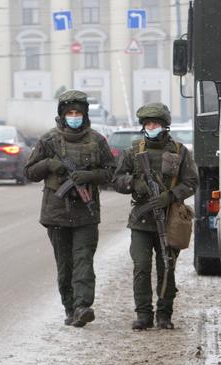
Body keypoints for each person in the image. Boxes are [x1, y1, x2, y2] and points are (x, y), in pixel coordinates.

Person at [23, 90, 115, 327]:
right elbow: (29, 172)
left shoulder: (96, 140)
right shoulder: (49, 140)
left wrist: (90, 175)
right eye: (70, 113)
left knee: (83, 261)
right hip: (57, 213)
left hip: (86, 212)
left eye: (78, 113)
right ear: (62, 116)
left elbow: (112, 172)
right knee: (65, 266)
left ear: (85, 115)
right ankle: (70, 307)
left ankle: (83, 306)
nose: (74, 117)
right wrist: (49, 164)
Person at [113, 102, 198, 330]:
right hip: (141, 221)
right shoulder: (133, 152)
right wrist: (134, 182)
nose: (152, 127)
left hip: (170, 220)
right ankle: (143, 315)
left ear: (165, 126)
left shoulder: (180, 152)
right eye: (148, 123)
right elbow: (117, 180)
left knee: (167, 267)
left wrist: (170, 196)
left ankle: (164, 314)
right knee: (141, 267)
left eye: (156, 123)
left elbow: (192, 183)